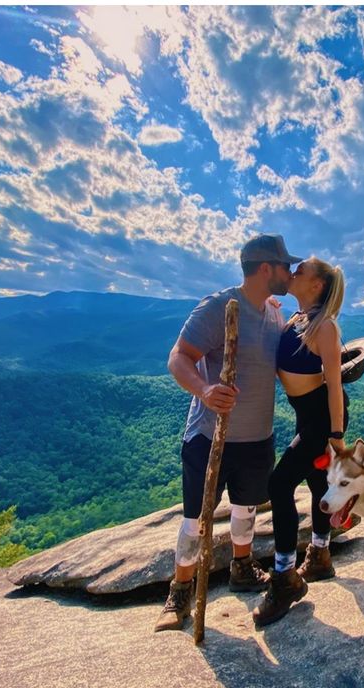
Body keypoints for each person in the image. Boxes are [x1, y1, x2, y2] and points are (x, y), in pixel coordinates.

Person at [154, 234, 300, 633]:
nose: (289, 273)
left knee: (246, 508)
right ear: (266, 268)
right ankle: (180, 590)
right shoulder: (218, 307)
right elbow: (178, 358)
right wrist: (203, 389)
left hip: (257, 437)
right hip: (209, 435)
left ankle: (241, 567)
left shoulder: (273, 312)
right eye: (285, 266)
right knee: (194, 521)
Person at [252, 257, 348, 626]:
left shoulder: (325, 328)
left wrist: (336, 437)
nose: (293, 272)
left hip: (322, 420)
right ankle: (320, 557)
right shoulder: (296, 320)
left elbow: (335, 388)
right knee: (314, 481)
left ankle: (284, 577)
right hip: (306, 416)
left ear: (317, 285)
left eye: (301, 270)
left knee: (279, 485)